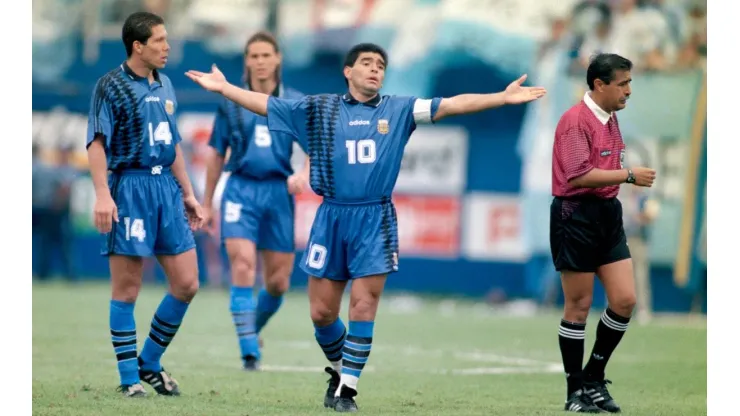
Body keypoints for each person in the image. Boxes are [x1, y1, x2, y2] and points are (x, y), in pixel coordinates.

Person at [186, 42, 546, 412]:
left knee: (363, 304)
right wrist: (225, 88)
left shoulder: (400, 109)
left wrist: (502, 97)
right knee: (322, 313)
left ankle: (348, 391)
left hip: (375, 219)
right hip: (331, 218)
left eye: (380, 65)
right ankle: (341, 371)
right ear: (348, 71)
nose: (375, 69)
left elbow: (452, 103)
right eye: (367, 63)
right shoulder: (318, 108)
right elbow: (265, 104)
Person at [86, 11, 204, 398]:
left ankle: (149, 362)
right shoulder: (111, 86)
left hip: (166, 190)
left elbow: (172, 146)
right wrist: (103, 194)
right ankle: (128, 380)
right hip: (129, 189)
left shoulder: (166, 84)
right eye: (159, 41)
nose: (167, 47)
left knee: (187, 283)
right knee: (127, 289)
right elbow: (97, 144)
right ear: (138, 46)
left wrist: (187, 193)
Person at [550, 53, 656, 413]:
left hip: (607, 214)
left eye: (630, 83)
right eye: (622, 84)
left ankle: (593, 378)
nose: (629, 91)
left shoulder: (610, 118)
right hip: (575, 214)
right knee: (577, 307)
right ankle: (574, 393)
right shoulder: (574, 120)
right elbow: (578, 176)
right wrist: (628, 175)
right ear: (599, 85)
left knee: (625, 300)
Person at [201, 31, 309, 371]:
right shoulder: (230, 102)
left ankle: (252, 328)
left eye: (266, 55)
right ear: (246, 61)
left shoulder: (294, 103)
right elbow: (216, 155)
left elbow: (316, 148)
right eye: (253, 55)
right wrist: (206, 203)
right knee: (243, 264)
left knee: (278, 282)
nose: (260, 61)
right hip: (241, 190)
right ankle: (249, 350)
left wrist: (304, 173)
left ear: (278, 58)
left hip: (279, 193)